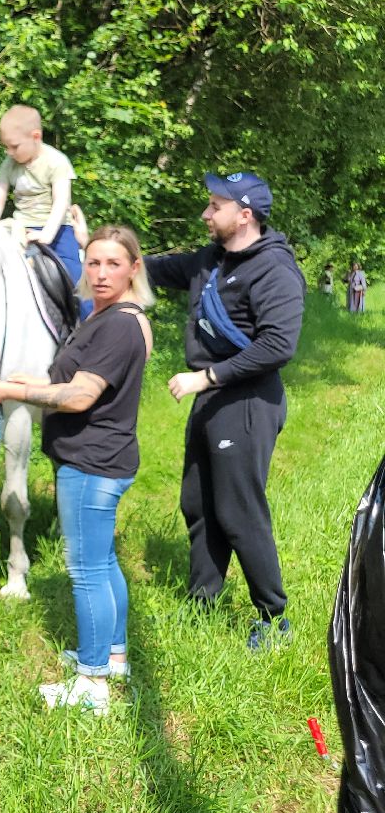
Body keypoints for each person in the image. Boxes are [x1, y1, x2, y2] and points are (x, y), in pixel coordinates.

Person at [0, 225, 154, 714]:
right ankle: (113, 657)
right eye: (93, 262)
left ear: (134, 268)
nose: (101, 273)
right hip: (102, 458)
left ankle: (91, 686)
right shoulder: (106, 315)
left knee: (87, 571)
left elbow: (79, 396)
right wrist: (27, 379)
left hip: (91, 463)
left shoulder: (118, 325)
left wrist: (11, 392)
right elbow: (72, 377)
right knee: (104, 562)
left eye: (113, 264)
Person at [145, 172, 305, 651]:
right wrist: (84, 245)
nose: (206, 214)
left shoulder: (274, 269)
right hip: (211, 400)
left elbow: (277, 345)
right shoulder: (209, 260)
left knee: (239, 511)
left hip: (248, 401)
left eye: (215, 206)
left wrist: (207, 377)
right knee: (198, 505)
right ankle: (202, 603)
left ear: (244, 214)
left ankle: (274, 618)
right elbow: (149, 269)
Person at [0, 104, 82, 291]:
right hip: (21, 228)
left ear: (36, 136)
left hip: (57, 229)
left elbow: (61, 202)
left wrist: (47, 234)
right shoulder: (10, 163)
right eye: (6, 147)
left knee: (74, 278)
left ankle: (84, 309)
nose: (9, 152)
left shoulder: (56, 161)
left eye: (14, 146)